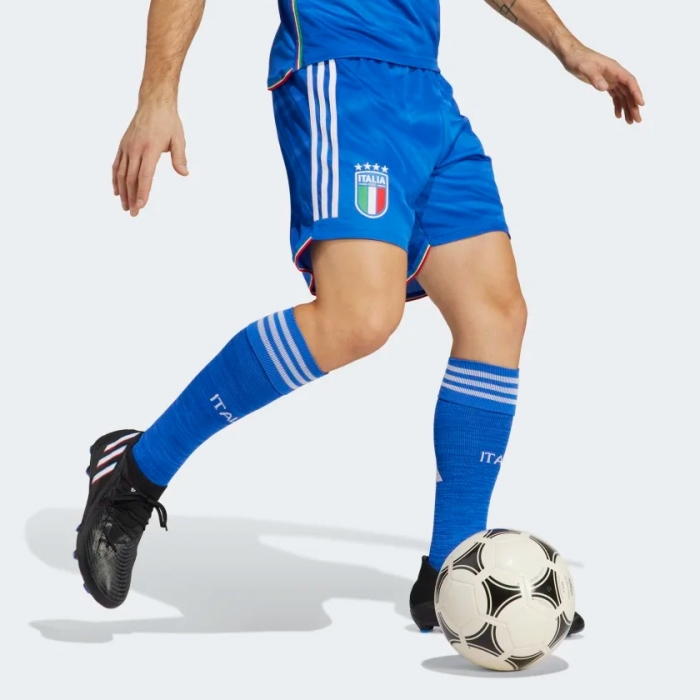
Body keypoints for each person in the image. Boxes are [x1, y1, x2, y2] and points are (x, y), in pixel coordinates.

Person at [75, 0, 643, 640]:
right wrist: (157, 96)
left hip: (425, 90)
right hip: (341, 74)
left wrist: (567, 45)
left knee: (496, 315)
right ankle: (137, 469)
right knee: (360, 317)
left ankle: (453, 569)